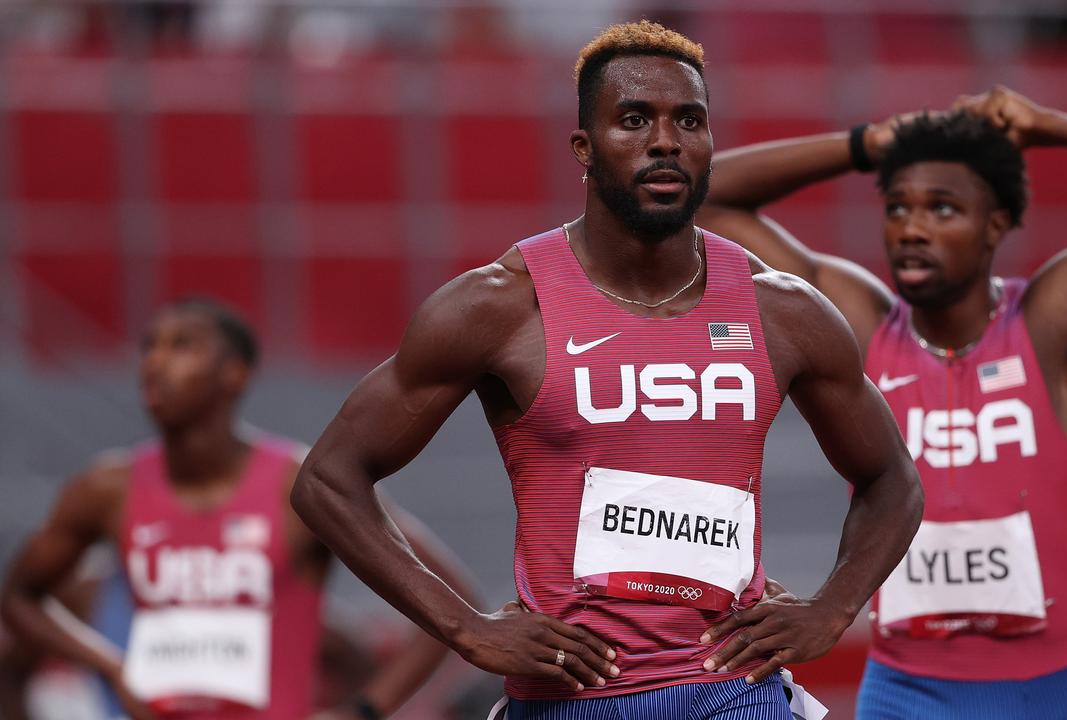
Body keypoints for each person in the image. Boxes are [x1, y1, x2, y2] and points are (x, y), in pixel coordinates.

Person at [289, 20, 923, 720]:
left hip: (731, 691)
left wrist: (830, 611)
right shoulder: (502, 305)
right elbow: (327, 480)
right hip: (571, 698)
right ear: (584, 149)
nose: (664, 141)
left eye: (689, 120)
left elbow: (892, 477)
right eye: (633, 120)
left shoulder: (782, 311)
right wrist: (466, 628)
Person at [698, 87, 1067, 718]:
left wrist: (1054, 125)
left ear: (996, 224)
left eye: (942, 209)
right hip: (905, 691)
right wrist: (865, 144)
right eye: (898, 207)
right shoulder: (861, 326)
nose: (912, 228)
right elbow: (706, 196)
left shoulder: (1052, 322)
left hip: (1042, 692)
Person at [1, 297, 479, 719]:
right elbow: (20, 596)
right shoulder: (105, 489)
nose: (155, 362)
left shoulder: (300, 485)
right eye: (150, 346)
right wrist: (110, 665)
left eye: (181, 346)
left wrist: (363, 711)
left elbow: (450, 596)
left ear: (235, 373)